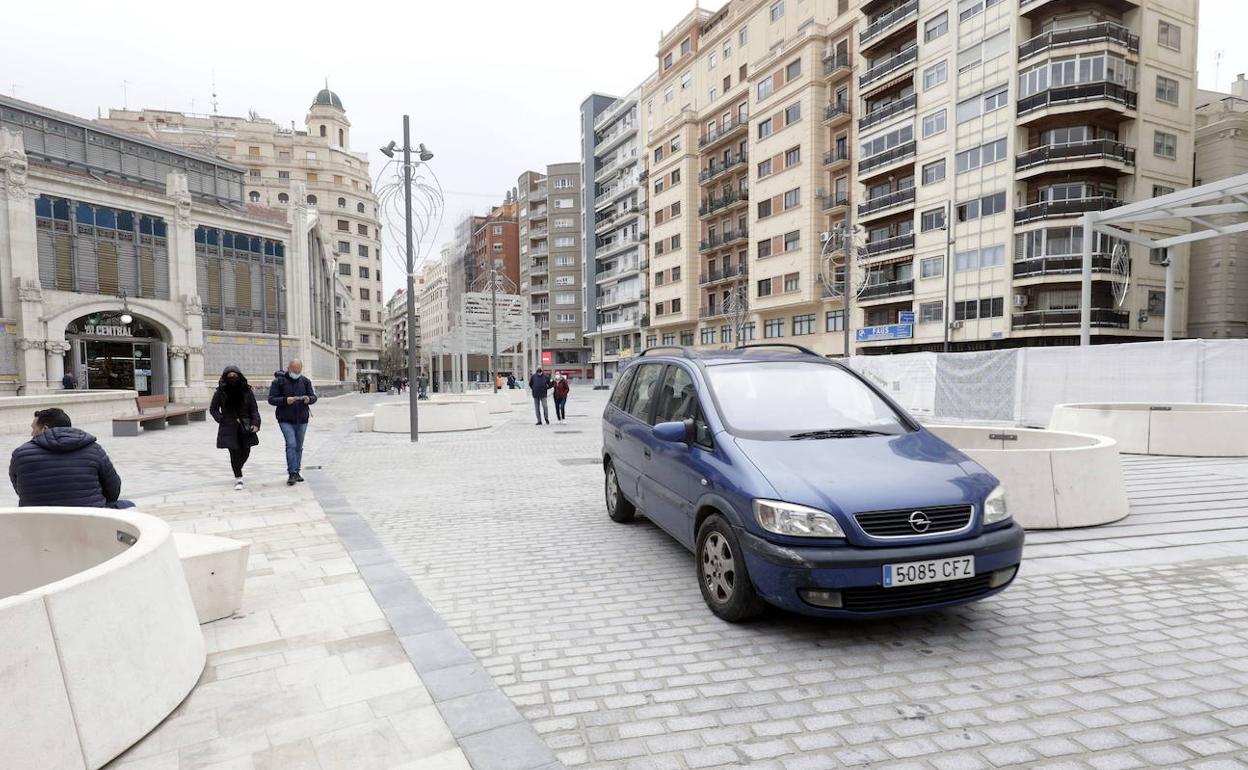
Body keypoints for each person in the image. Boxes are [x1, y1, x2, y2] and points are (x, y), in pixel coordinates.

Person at [9, 408, 131, 508]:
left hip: (38, 524)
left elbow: (20, 490)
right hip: (88, 522)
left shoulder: (20, 454)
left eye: (33, 428)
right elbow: (113, 490)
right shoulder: (94, 449)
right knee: (128, 506)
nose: (31, 433)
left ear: (44, 429)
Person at [209, 366, 261, 491]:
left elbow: (254, 409)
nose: (232, 378)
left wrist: (256, 423)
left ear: (240, 376)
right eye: (229, 376)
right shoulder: (220, 392)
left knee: (246, 451)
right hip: (229, 427)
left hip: (245, 425)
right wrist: (221, 419)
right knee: (234, 452)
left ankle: (237, 467)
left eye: (235, 375)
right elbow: (213, 409)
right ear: (225, 377)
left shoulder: (247, 391)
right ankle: (238, 477)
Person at [268, 359, 317, 486]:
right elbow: (271, 399)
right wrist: (285, 400)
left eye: (298, 370)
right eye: (294, 370)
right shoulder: (279, 381)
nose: (296, 372)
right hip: (285, 419)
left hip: (302, 419)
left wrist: (308, 399)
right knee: (291, 444)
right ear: (289, 368)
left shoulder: (305, 381)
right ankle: (292, 473)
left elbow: (313, 397)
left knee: (299, 446)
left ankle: (297, 471)